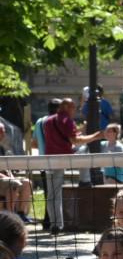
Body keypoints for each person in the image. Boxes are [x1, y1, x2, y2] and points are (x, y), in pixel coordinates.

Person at [42, 98, 103, 235]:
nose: (75, 110)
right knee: (85, 149)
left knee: (53, 194)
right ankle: (85, 179)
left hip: (50, 159)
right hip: (65, 157)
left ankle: (55, 225)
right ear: (67, 108)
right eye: (73, 108)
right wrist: (95, 136)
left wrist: (78, 131)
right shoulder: (67, 120)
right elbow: (75, 140)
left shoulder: (48, 121)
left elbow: (61, 136)